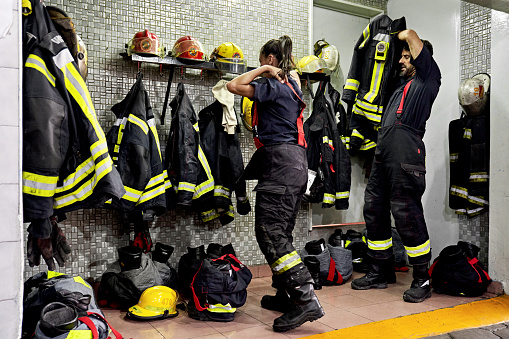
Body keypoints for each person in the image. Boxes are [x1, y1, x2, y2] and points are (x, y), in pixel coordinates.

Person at [226, 36, 324, 332]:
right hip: (294, 164)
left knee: (270, 233)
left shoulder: (274, 85)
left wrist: (261, 71)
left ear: (270, 58)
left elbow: (234, 86)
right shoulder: (293, 87)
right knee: (282, 233)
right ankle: (287, 294)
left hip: (281, 165)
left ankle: (306, 300)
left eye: (262, 59)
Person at [350, 29, 441, 303]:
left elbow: (412, 35)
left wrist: (400, 34)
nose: (401, 61)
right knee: (374, 209)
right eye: (400, 57)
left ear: (420, 58)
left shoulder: (428, 79)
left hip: (406, 155)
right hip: (383, 155)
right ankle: (381, 271)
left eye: (406, 56)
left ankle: (422, 277)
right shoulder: (400, 87)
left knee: (407, 215)